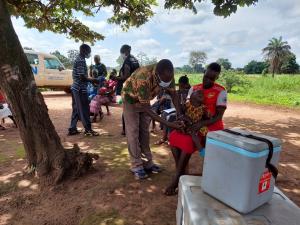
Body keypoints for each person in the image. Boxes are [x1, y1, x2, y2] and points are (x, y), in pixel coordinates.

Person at [165, 62, 227, 195]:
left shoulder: (220, 91)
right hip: (192, 124)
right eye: (207, 76)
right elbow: (187, 108)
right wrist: (183, 120)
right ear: (204, 72)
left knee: (188, 142)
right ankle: (181, 172)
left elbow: (218, 117)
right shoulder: (194, 88)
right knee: (173, 136)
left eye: (212, 78)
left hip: (210, 128)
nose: (208, 80)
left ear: (217, 78)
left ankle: (177, 178)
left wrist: (201, 124)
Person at [122, 59, 184, 179]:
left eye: (169, 80)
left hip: (145, 99)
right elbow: (147, 109)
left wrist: (179, 115)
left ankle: (148, 163)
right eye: (164, 81)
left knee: (144, 132)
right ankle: (136, 165)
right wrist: (169, 124)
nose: (167, 83)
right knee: (133, 132)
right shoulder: (143, 77)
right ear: (157, 75)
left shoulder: (168, 75)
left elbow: (174, 95)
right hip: (131, 100)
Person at [68, 44, 99, 137]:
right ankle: (88, 130)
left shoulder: (78, 58)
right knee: (85, 109)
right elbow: (82, 77)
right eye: (89, 51)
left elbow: (82, 76)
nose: (89, 54)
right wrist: (93, 80)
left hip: (75, 88)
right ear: (84, 51)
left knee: (76, 109)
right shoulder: (81, 60)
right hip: (80, 89)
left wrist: (90, 80)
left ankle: (72, 128)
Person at [155, 75, 191, 145]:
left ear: (186, 85)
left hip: (185, 111)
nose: (181, 88)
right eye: (180, 86)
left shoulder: (189, 92)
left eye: (182, 86)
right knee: (164, 114)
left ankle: (170, 138)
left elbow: (186, 105)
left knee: (170, 118)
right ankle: (164, 137)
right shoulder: (177, 92)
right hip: (176, 109)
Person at [116, 45, 140, 136]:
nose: (121, 55)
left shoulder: (127, 61)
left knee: (126, 109)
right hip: (136, 88)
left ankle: (125, 130)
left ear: (125, 52)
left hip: (129, 88)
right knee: (135, 109)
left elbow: (126, 76)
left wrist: (116, 78)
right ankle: (135, 129)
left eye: (121, 53)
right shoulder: (135, 60)